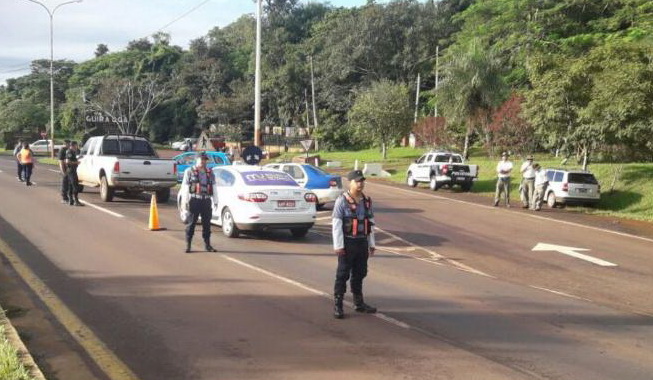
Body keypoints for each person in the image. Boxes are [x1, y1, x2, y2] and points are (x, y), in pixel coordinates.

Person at [332, 169, 377, 319]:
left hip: (362, 242)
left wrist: (372, 243)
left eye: (362, 181)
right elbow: (336, 224)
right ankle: (338, 305)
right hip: (348, 242)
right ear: (350, 182)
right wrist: (338, 245)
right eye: (357, 181)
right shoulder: (342, 201)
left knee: (360, 272)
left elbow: (370, 223)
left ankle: (359, 303)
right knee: (342, 274)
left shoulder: (366, 201)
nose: (360, 184)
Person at [182, 151, 217, 253]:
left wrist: (216, 200)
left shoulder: (210, 172)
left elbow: (214, 187)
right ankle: (188, 245)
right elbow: (185, 187)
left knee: (207, 224)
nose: (203, 161)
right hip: (194, 200)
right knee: (191, 224)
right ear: (196, 160)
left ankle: (207, 245)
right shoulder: (189, 171)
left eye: (205, 160)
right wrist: (185, 201)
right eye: (201, 159)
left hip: (206, 200)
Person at [65, 141, 83, 206]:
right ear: (73, 145)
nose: (77, 147)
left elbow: (71, 160)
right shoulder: (70, 152)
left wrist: (78, 159)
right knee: (75, 186)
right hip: (71, 171)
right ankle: (76, 201)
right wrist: (76, 163)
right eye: (76, 145)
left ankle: (71, 200)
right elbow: (67, 161)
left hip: (71, 170)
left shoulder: (71, 152)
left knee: (70, 186)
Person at [58, 140, 71, 204]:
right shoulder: (62, 150)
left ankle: (68, 197)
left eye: (69, 144)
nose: (69, 145)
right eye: (68, 144)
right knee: (64, 184)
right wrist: (63, 171)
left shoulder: (68, 150)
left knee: (68, 184)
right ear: (65, 144)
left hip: (69, 169)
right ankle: (64, 198)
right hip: (64, 169)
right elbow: (61, 162)